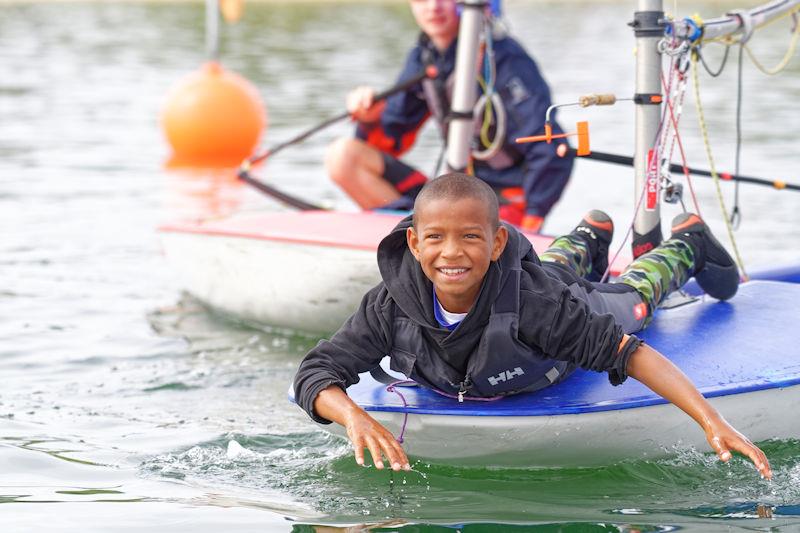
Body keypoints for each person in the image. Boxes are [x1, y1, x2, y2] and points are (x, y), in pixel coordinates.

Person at [293, 172, 772, 479]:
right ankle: (588, 236)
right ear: (414, 243)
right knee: (548, 267)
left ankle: (688, 242)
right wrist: (354, 416)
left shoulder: (537, 307)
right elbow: (314, 373)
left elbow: (631, 353)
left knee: (634, 297)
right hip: (533, 277)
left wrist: (713, 422)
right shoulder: (388, 306)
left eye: (470, 237)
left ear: (497, 241)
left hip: (561, 297)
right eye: (436, 238)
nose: (451, 252)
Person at [325, 0, 573, 233]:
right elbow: (390, 141)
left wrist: (531, 225)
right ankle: (411, 236)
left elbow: (551, 147)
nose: (433, 7)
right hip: (450, 193)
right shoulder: (423, 56)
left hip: (503, 203)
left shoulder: (506, 59)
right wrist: (370, 117)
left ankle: (442, 236)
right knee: (343, 157)